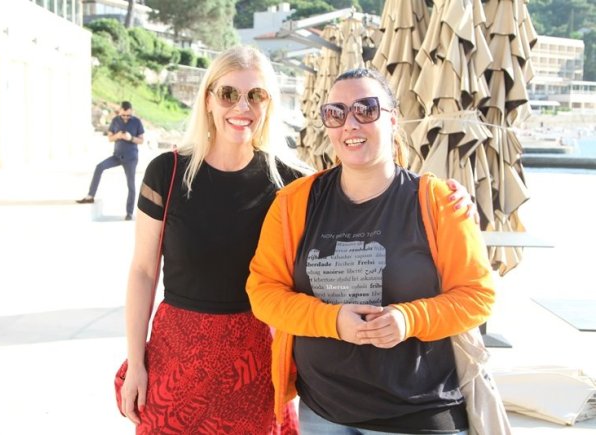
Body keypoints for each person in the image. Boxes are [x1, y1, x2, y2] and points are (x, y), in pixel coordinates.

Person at [119, 46, 477, 434]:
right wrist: (136, 361)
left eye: (256, 95)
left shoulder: (290, 183)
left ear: (269, 103)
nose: (242, 107)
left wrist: (444, 196)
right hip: (179, 352)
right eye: (228, 94)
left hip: (256, 359)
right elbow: (142, 272)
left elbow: (367, 175)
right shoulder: (167, 172)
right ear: (208, 99)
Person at [246, 68, 496, 434]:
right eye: (336, 113)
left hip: (417, 415)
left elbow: (478, 296)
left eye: (366, 109)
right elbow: (263, 292)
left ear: (392, 119)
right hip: (323, 412)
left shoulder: (438, 202)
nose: (350, 123)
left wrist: (409, 319)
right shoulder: (294, 202)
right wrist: (332, 320)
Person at [76, 101, 145, 221]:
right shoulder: (115, 121)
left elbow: (141, 140)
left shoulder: (137, 122)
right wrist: (117, 136)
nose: (125, 117)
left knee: (131, 185)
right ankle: (90, 196)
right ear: (120, 112)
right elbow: (109, 138)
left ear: (131, 112)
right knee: (99, 167)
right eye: (123, 115)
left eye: (128, 115)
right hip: (117, 156)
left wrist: (130, 138)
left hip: (131, 159)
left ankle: (129, 213)